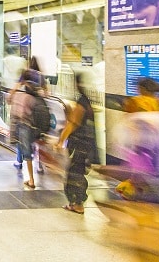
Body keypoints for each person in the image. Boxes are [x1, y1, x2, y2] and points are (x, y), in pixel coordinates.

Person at [55, 73, 96, 214]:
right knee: (77, 171)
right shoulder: (86, 101)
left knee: (74, 173)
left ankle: (77, 203)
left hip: (79, 144)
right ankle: (77, 203)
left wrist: (61, 141)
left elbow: (73, 123)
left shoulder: (81, 103)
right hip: (86, 144)